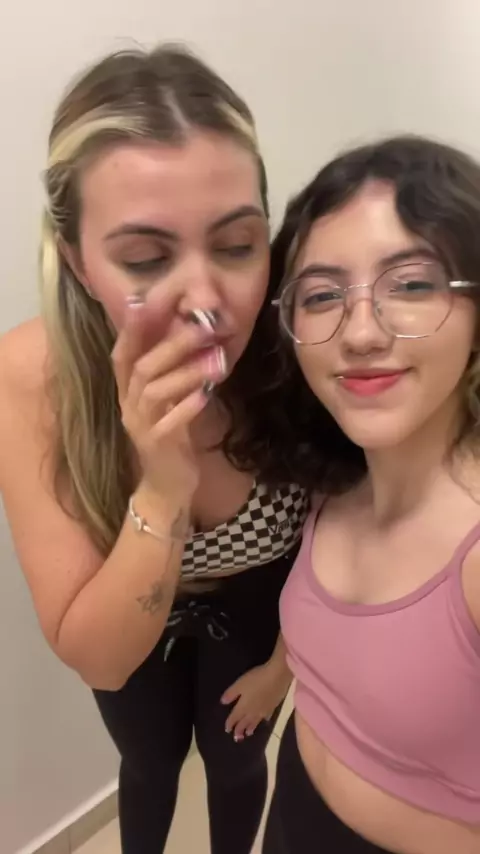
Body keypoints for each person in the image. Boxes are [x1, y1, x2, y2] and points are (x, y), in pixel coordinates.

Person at [0, 45, 309, 854]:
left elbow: (346, 530)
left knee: (236, 763)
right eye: (145, 258)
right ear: (77, 262)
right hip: (130, 603)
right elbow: (101, 660)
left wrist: (287, 662)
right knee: (149, 763)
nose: (205, 301)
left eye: (237, 245)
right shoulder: (35, 377)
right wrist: (162, 487)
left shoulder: (294, 348)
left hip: (261, 604)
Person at [262, 136, 480, 854]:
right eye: (323, 295)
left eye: (411, 286)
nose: (359, 333)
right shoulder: (333, 483)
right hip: (292, 808)